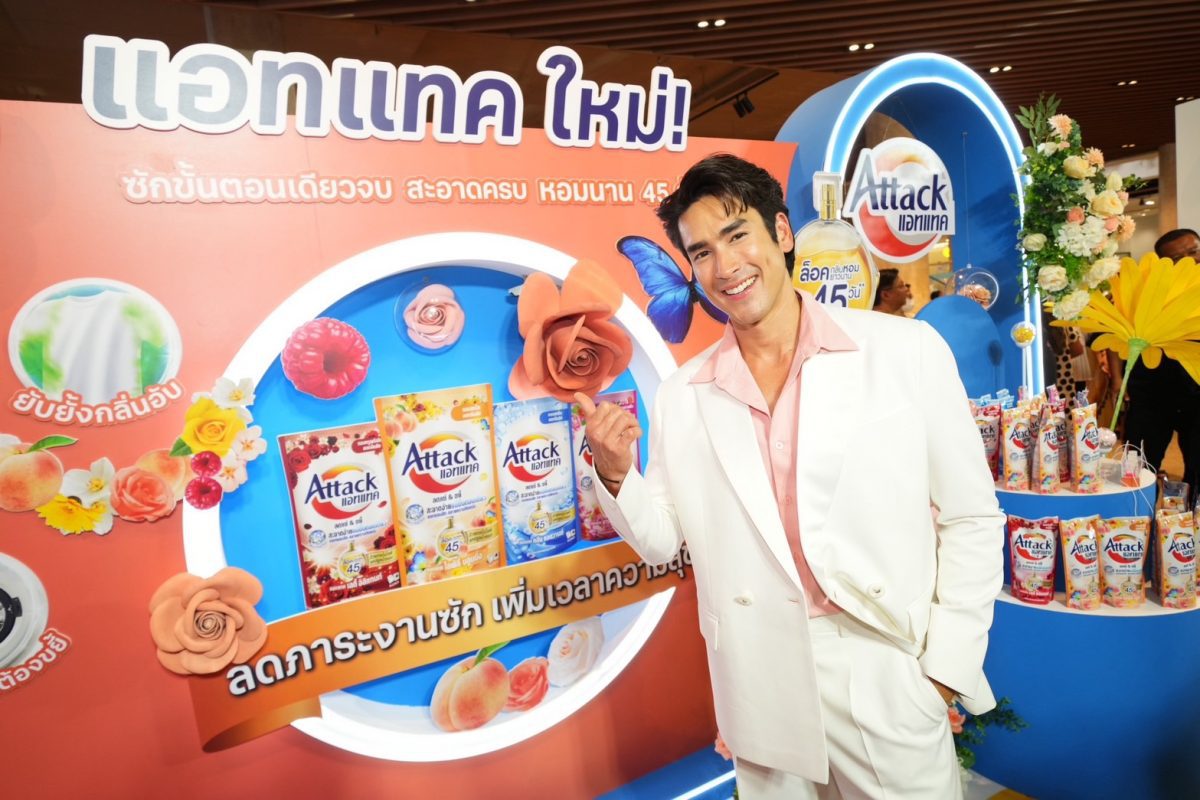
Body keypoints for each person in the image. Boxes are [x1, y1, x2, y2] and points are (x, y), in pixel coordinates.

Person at [575, 154, 1004, 798]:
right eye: (701, 253)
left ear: (780, 231)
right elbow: (663, 541)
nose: (725, 267)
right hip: (759, 676)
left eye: (737, 235)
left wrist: (944, 668)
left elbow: (971, 515)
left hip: (880, 661)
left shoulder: (902, 351)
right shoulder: (684, 394)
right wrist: (614, 476)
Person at [1120, 228, 1200, 503]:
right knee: (1138, 464)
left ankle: (1191, 522)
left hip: (1197, 393)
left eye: (1194, 251)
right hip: (1153, 393)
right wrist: (1120, 382)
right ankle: (1135, 519)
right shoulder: (1146, 292)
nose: (1191, 260)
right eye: (1178, 258)